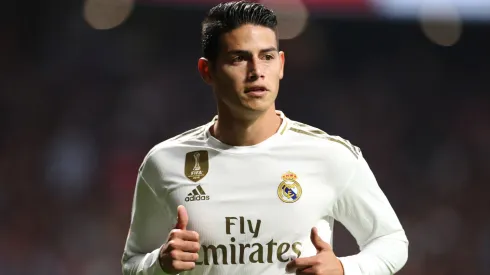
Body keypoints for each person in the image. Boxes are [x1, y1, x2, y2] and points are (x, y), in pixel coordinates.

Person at [121, 1, 409, 274]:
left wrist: (345, 269)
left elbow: (391, 241)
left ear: (281, 64)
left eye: (267, 57)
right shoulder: (164, 162)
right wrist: (158, 264)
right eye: (238, 58)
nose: (257, 72)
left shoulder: (330, 156)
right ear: (207, 70)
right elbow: (132, 261)